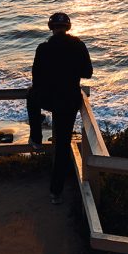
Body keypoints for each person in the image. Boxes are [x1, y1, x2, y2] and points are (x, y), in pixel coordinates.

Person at [27, 11, 92, 204]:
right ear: (68, 27)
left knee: (31, 95)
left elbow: (36, 79)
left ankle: (36, 138)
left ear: (51, 27)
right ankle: (56, 193)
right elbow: (88, 73)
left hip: (49, 98)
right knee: (63, 145)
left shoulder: (43, 48)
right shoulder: (78, 45)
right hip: (69, 100)